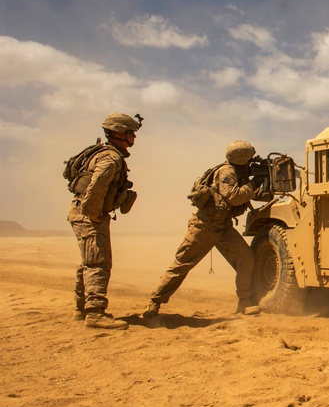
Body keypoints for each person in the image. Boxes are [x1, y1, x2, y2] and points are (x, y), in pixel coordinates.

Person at [142, 141, 271, 319]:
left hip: (223, 227)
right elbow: (234, 197)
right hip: (205, 226)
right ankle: (154, 302)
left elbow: (244, 196)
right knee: (183, 263)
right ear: (242, 158)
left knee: (245, 258)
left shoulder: (238, 174)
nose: (250, 163)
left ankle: (245, 302)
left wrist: (260, 185)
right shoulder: (227, 172)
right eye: (249, 160)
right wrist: (254, 182)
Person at [67, 112, 142, 330]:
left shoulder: (103, 153)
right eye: (131, 133)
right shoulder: (110, 158)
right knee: (98, 263)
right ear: (119, 133)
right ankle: (95, 313)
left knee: (88, 262)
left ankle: (80, 309)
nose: (134, 138)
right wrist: (93, 213)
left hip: (80, 212)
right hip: (89, 215)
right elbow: (97, 186)